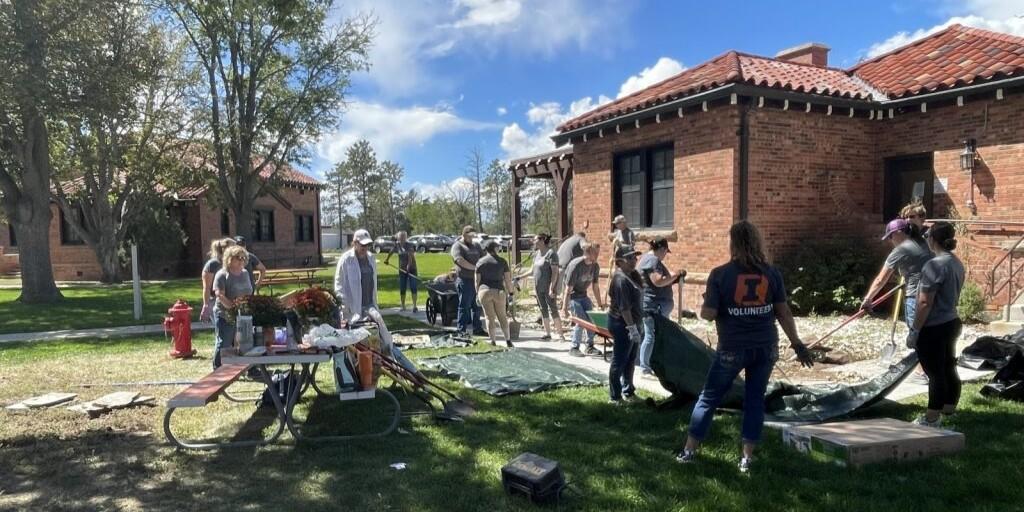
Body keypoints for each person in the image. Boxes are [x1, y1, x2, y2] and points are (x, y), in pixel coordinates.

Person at [676, 221, 814, 473]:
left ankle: (689, 451)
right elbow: (783, 312)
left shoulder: (720, 274)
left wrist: (703, 305)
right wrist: (797, 344)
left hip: (732, 347)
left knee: (708, 398)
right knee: (754, 401)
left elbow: (708, 314)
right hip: (765, 346)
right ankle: (747, 458)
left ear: (733, 243)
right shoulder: (771, 274)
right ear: (757, 242)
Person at [906, 222, 965, 428]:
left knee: (934, 371)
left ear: (932, 239)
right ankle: (949, 408)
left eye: (928, 236)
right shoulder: (956, 262)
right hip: (952, 321)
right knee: (949, 365)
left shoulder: (934, 265)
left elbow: (924, 302)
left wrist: (915, 330)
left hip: (934, 326)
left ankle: (931, 418)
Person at [861, 218, 933, 328]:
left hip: (916, 299)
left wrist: (868, 299)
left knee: (917, 338)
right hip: (936, 297)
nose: (890, 240)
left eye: (890, 236)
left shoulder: (901, 250)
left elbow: (880, 279)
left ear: (898, 233)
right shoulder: (926, 243)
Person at [636, 237, 686, 376]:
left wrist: (674, 279)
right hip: (652, 306)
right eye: (665, 252)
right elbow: (657, 281)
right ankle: (645, 368)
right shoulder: (652, 261)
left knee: (652, 335)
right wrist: (676, 275)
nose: (665, 256)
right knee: (650, 336)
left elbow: (661, 281)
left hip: (654, 305)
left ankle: (650, 363)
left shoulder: (647, 259)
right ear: (662, 249)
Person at [607, 245, 643, 403]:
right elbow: (624, 308)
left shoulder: (633, 275)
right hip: (622, 324)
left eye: (635, 257)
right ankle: (615, 396)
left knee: (631, 359)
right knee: (620, 360)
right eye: (629, 258)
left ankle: (629, 391)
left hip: (634, 323)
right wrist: (632, 328)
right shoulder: (620, 280)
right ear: (619, 262)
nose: (633, 260)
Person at [561, 241, 605, 357]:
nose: (598, 255)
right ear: (589, 253)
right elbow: (567, 289)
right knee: (580, 322)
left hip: (583, 295)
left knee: (591, 320)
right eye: (596, 253)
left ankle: (589, 346)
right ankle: (574, 347)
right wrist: (564, 308)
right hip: (573, 297)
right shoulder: (576, 266)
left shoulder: (595, 266)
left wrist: (600, 304)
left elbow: (595, 287)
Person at [212, 245, 254, 368]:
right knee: (224, 342)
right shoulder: (222, 274)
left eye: (243, 257)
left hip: (243, 314)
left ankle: (244, 367)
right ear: (229, 258)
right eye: (238, 257)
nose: (241, 260)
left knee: (244, 342)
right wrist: (232, 308)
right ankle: (217, 368)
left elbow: (249, 291)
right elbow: (219, 294)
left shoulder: (245, 273)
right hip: (225, 314)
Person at [519, 233, 563, 341]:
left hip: (548, 288)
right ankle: (548, 334)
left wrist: (552, 287)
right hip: (538, 287)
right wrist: (519, 277)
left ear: (542, 240)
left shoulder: (551, 254)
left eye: (535, 240)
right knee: (543, 309)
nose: (533, 242)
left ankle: (560, 334)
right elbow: (531, 271)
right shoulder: (537, 254)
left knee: (553, 309)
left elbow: (555, 272)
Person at [476, 239, 515, 347]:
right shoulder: (502, 261)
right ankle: (508, 340)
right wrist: (511, 293)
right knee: (502, 316)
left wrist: (477, 293)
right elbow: (508, 279)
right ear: (495, 249)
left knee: (489, 317)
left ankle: (493, 341)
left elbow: (477, 280)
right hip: (499, 291)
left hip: (484, 291)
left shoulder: (480, 262)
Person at [334, 229, 378, 322]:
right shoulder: (346, 259)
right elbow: (339, 283)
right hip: (352, 307)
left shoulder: (371, 258)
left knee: (376, 333)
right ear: (355, 243)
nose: (365, 248)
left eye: (367, 245)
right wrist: (344, 304)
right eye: (362, 245)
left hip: (370, 305)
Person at [451, 225, 486, 336]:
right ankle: (461, 330)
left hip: (477, 280)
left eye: (473, 236)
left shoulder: (476, 245)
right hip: (464, 280)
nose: (472, 238)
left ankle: (477, 329)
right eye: (470, 236)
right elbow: (459, 260)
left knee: (477, 306)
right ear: (464, 234)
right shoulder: (457, 246)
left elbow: (483, 257)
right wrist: (475, 267)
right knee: (464, 306)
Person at [385, 231, 419, 313]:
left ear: (406, 238)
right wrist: (387, 259)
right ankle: (403, 305)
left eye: (403, 237)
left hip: (412, 269)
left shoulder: (409, 245)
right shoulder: (397, 245)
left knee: (413, 287)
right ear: (398, 238)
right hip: (402, 270)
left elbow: (410, 256)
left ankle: (414, 306)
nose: (402, 239)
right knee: (402, 287)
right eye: (400, 237)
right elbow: (391, 251)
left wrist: (408, 266)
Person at [605, 215, 636, 302]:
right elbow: (615, 246)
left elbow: (631, 247)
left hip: (626, 261)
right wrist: (612, 257)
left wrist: (621, 245)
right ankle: (614, 299)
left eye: (618, 223)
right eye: (616, 224)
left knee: (624, 279)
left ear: (623, 223)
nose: (617, 225)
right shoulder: (618, 232)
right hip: (618, 260)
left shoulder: (630, 233)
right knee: (616, 278)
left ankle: (625, 299)